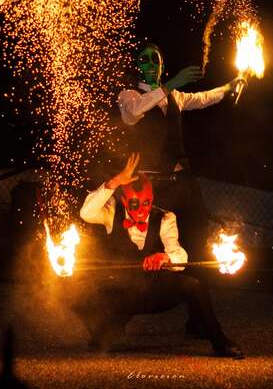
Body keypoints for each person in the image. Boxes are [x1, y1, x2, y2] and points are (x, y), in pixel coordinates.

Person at [76, 153, 243, 358]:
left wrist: (165, 258)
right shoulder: (110, 212)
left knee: (194, 285)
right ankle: (108, 328)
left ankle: (220, 342)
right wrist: (116, 181)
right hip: (122, 294)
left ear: (151, 199)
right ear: (124, 199)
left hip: (153, 292)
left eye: (146, 204)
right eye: (135, 205)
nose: (141, 211)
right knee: (76, 296)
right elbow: (86, 213)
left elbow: (179, 255)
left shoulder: (165, 217)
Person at [117, 43, 244, 260]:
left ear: (161, 65)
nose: (150, 64)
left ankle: (194, 280)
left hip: (182, 179)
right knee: (157, 239)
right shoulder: (129, 95)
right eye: (144, 59)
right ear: (138, 66)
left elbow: (202, 98)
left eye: (154, 59)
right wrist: (172, 82)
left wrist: (227, 88)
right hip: (151, 185)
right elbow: (135, 111)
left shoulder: (175, 96)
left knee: (196, 228)